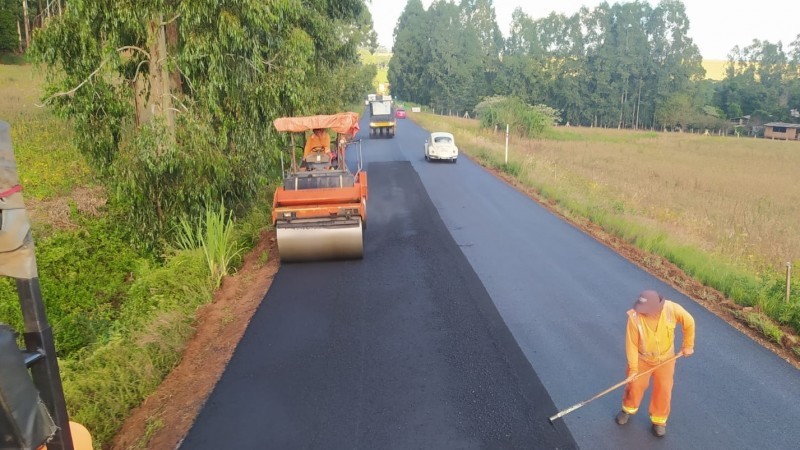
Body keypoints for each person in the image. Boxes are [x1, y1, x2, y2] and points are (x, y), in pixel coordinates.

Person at [615, 290, 695, 438]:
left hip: (666, 359)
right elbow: (631, 344)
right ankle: (628, 409)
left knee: (664, 389)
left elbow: (689, 322)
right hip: (642, 359)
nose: (643, 313)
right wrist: (633, 368)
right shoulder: (634, 318)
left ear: (657, 308)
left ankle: (659, 421)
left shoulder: (672, 309)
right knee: (635, 385)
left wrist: (688, 345)